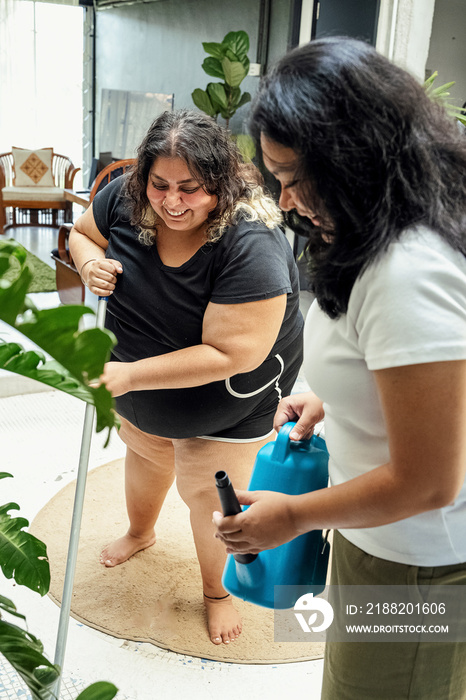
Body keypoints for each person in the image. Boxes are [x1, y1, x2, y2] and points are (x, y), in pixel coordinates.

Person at [213, 37, 466, 697]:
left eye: (297, 177)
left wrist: (294, 516)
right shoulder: (377, 230)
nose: (287, 200)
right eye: (277, 179)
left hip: (417, 558)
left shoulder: (408, 272)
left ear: (358, 156)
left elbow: (431, 481)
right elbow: (414, 369)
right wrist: (335, 397)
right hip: (381, 537)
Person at [69, 109, 303, 646]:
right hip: (139, 381)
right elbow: (83, 234)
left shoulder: (252, 241)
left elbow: (233, 352)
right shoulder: (126, 199)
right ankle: (140, 531)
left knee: (209, 491)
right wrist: (87, 263)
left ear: (219, 183)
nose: (172, 202)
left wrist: (128, 375)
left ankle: (218, 593)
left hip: (228, 397)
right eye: (160, 185)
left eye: (191, 189)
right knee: (147, 452)